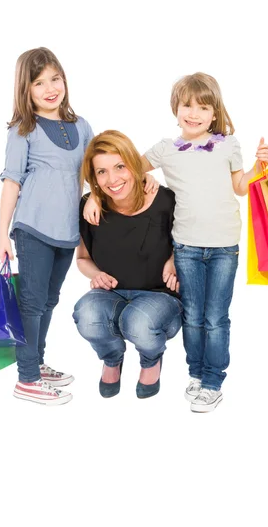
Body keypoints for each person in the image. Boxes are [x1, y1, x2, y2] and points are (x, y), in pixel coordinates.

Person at [84, 73, 268, 412]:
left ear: (215, 112)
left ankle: (213, 380)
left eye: (203, 107)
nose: (195, 113)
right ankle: (197, 375)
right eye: (187, 105)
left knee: (216, 316)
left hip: (223, 246)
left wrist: (260, 167)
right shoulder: (166, 150)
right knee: (194, 315)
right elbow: (125, 169)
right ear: (176, 109)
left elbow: (240, 187)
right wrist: (95, 196)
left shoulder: (229, 145)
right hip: (185, 246)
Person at [0, 47, 95, 406]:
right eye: (39, 83)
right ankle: (27, 378)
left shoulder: (81, 126)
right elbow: (11, 182)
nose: (50, 88)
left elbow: (92, 171)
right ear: (26, 89)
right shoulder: (24, 130)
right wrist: (2, 234)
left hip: (67, 231)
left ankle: (36, 362)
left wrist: (97, 196)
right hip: (33, 227)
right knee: (32, 302)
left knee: (49, 300)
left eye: (55, 79)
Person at [73, 130, 183, 399]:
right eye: (102, 172)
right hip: (112, 293)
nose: (112, 179)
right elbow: (83, 259)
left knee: (137, 323)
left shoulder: (166, 200)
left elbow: (189, 243)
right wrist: (96, 274)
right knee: (86, 314)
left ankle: (151, 358)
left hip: (160, 295)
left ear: (134, 165)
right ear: (94, 177)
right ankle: (112, 357)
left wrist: (174, 260)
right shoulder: (90, 206)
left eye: (120, 167)